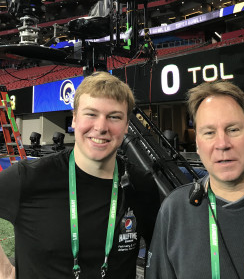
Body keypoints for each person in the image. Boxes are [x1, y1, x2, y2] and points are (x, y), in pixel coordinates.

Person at [0, 71, 160, 279]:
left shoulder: (141, 185)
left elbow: (158, 253)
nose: (101, 127)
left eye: (114, 117)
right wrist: (5, 271)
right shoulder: (29, 178)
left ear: (126, 126)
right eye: (91, 114)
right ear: (74, 119)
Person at [146, 80, 244, 279]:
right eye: (209, 133)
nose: (222, 144)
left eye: (233, 130)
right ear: (198, 145)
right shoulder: (174, 211)